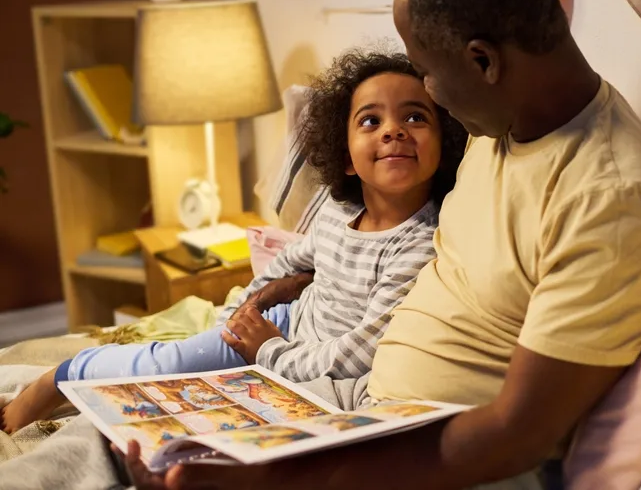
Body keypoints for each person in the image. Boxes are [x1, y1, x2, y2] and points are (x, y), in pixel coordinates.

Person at [123, 0, 641, 490]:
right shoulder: (503, 126)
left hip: (431, 462)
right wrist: (301, 277)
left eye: (428, 73)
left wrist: (278, 480)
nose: (432, 94)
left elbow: (516, 437)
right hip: (358, 412)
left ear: (484, 62)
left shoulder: (610, 202)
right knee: (135, 439)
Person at [0, 50, 467, 434]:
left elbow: (361, 352)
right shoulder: (337, 211)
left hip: (291, 355)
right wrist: (243, 310)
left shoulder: (420, 245)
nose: (393, 129)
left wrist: (267, 351)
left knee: (175, 404)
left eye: (414, 116)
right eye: (370, 121)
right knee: (167, 363)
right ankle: (56, 380)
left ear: (442, 144)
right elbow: (287, 261)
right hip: (279, 327)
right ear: (346, 159)